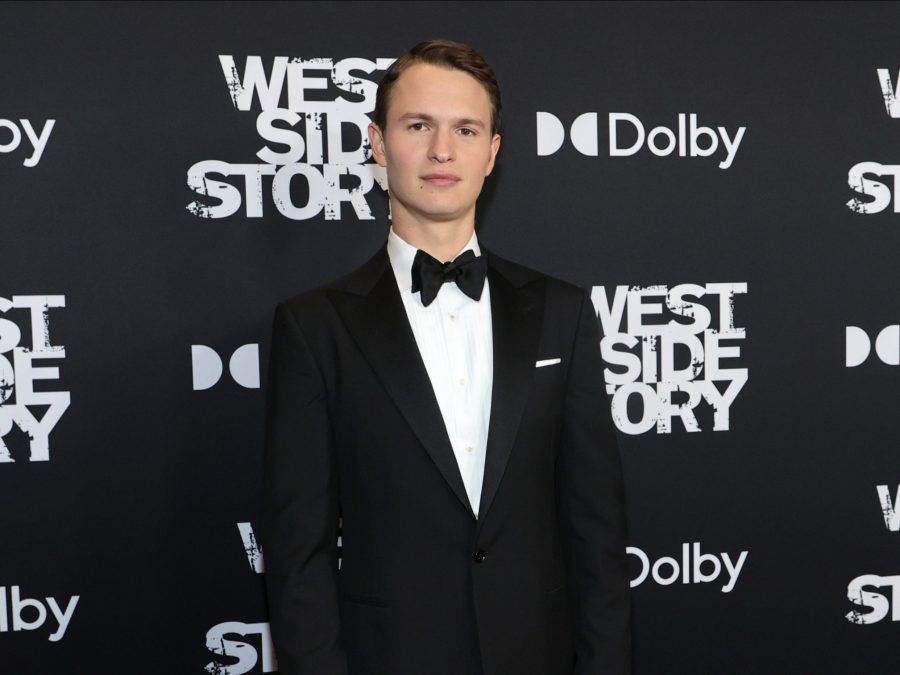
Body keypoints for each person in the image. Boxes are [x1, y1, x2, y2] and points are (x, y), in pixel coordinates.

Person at [263, 39, 631, 675]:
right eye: (418, 126)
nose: (441, 150)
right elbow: (299, 553)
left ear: (491, 152)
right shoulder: (314, 326)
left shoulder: (561, 314)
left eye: (465, 129)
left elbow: (596, 534)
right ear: (378, 144)